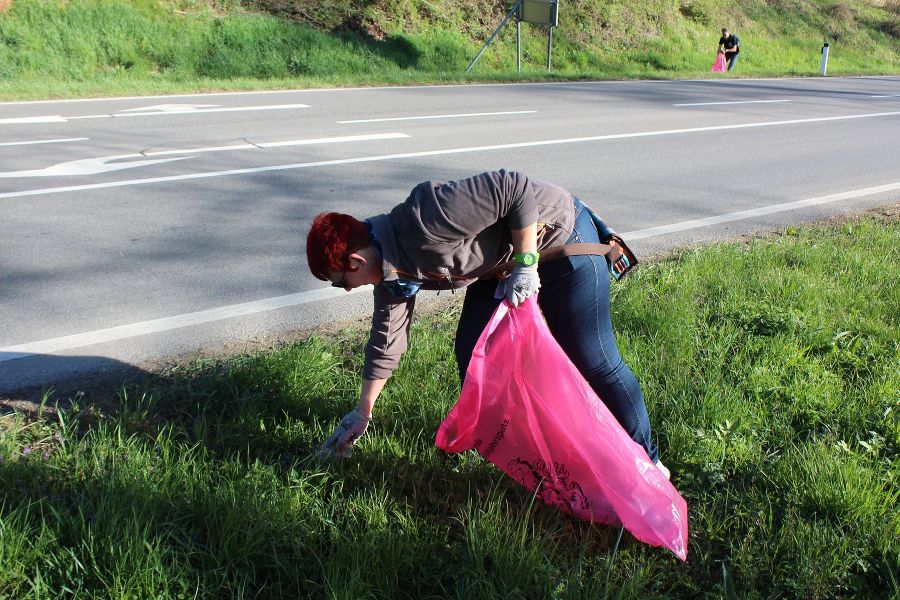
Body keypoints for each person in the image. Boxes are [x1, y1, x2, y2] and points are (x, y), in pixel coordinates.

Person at [306, 170, 669, 478]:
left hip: (561, 239)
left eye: (340, 281)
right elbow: (386, 343)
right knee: (473, 355)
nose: (347, 289)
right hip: (501, 266)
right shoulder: (392, 275)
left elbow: (515, 187)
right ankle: (534, 454)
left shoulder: (424, 217)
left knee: (594, 358)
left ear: (354, 262)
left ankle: (649, 463)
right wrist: (363, 413)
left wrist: (527, 263)